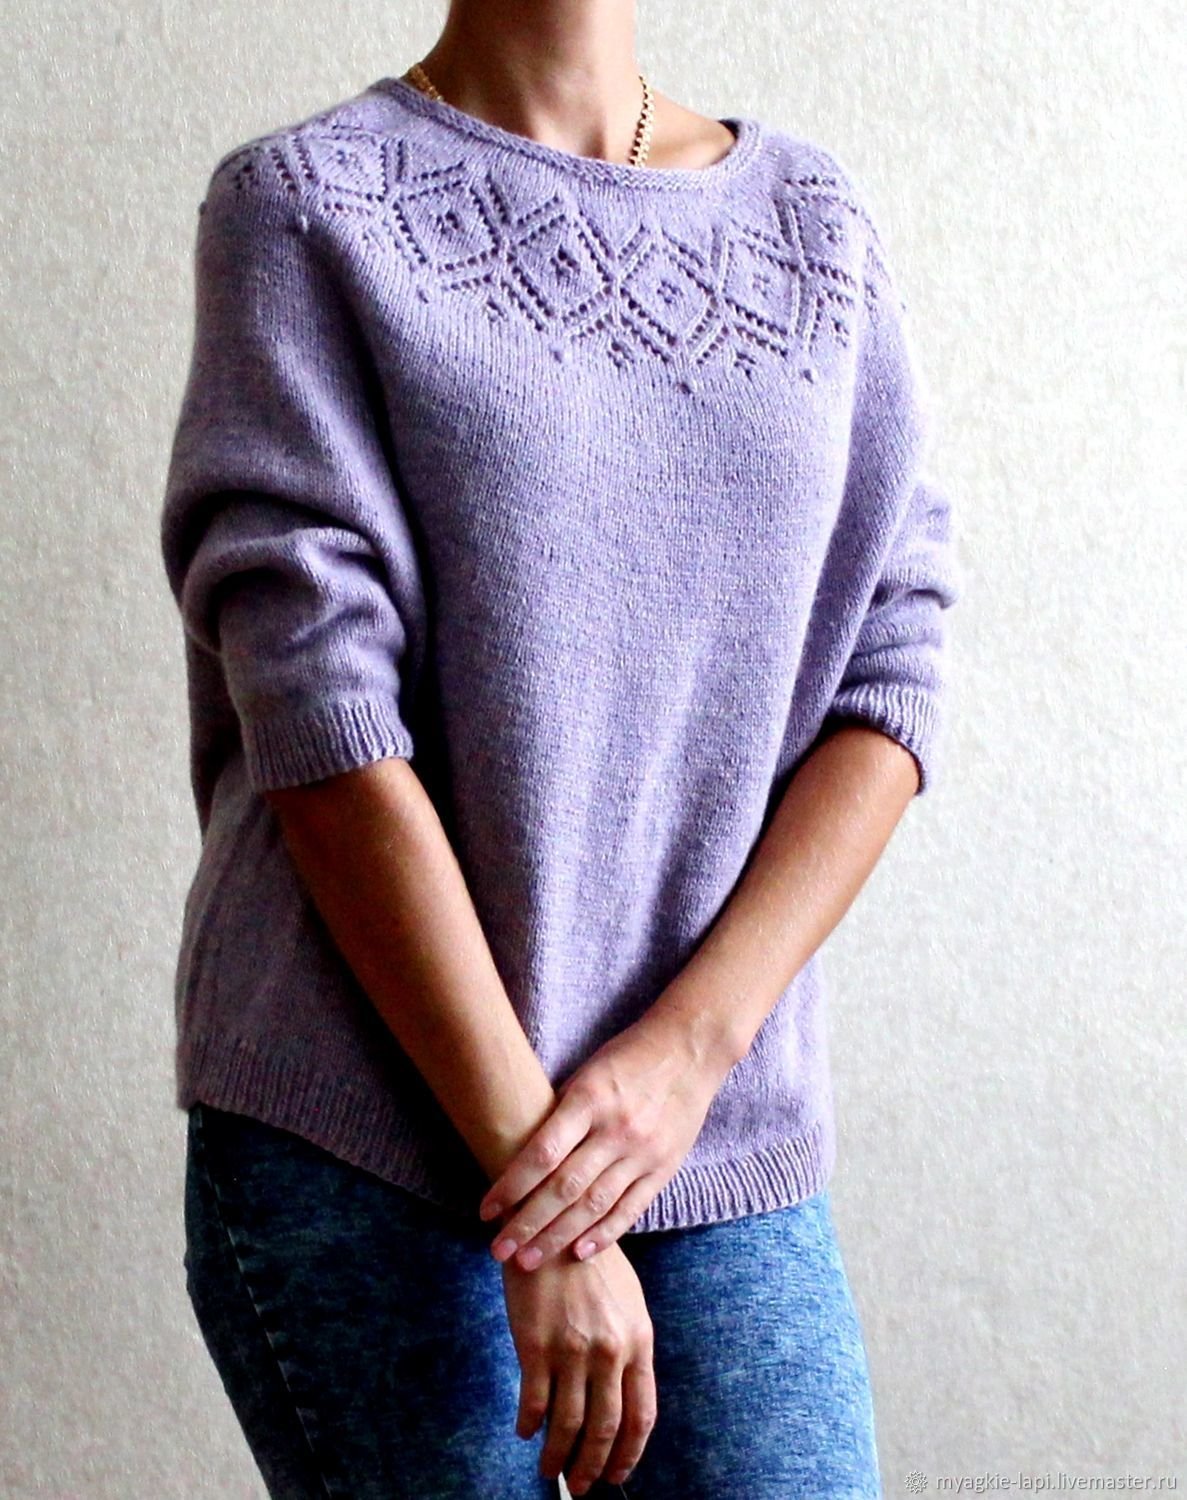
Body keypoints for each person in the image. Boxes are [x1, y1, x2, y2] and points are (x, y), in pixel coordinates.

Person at [161, 3, 961, 1495]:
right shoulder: (307, 208)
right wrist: (549, 1208)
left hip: (709, 1124)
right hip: (377, 1125)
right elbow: (321, 718)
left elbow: (892, 663)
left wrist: (687, 1055)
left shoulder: (813, 224)